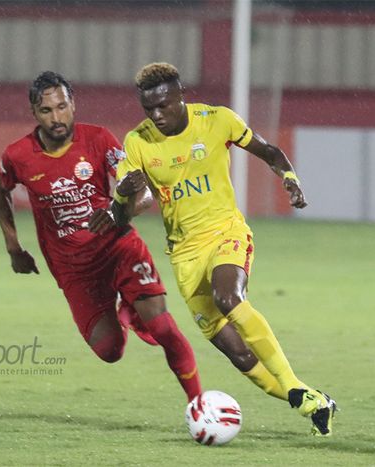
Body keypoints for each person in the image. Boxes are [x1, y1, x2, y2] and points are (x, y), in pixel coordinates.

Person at [113, 62, 337, 436]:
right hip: (184, 256)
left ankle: (296, 386)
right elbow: (122, 216)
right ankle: (314, 401)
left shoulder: (218, 120)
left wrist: (290, 178)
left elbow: (270, 152)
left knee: (228, 297)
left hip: (225, 233)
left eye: (163, 106)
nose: (156, 115)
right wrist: (123, 192)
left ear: (181, 95)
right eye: (148, 109)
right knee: (241, 355)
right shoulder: (137, 142)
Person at [0, 71, 202, 402]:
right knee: (109, 351)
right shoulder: (17, 156)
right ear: (34, 112)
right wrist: (13, 247)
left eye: (62, 107)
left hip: (118, 248)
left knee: (164, 329)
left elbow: (142, 191)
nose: (56, 117)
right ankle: (126, 311)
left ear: (73, 104)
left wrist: (121, 212)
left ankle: (199, 405)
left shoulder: (100, 140)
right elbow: (1, 190)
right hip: (73, 268)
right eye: (46, 111)